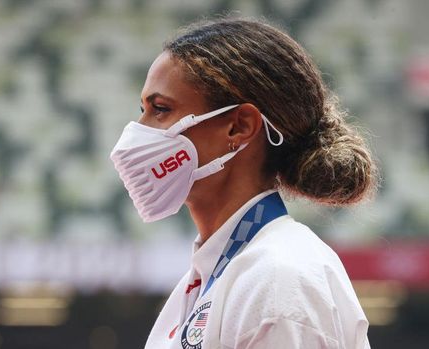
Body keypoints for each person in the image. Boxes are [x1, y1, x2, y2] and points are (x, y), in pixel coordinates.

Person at [110, 17, 377, 349]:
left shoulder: (279, 280)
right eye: (143, 110)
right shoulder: (211, 277)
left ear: (238, 128)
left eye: (161, 109)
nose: (138, 132)